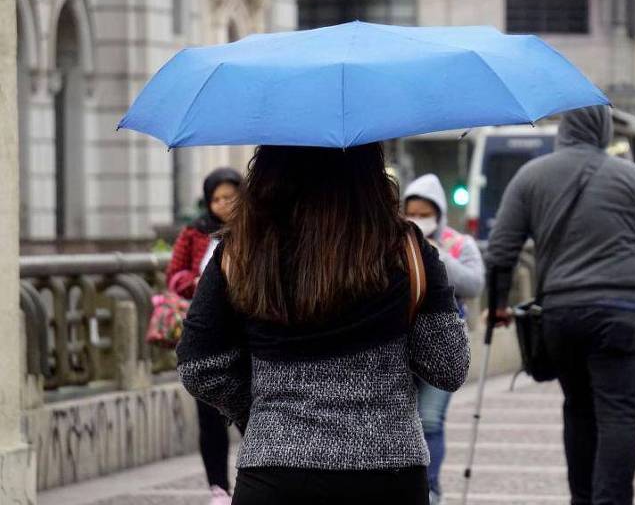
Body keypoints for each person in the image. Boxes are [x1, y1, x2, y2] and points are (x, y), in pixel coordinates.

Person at [176, 144, 470, 505]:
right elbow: (448, 366)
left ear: (268, 168)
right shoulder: (405, 248)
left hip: (274, 472)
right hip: (387, 472)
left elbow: (199, 365)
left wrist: (262, 411)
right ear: (370, 170)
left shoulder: (241, 251)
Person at [487, 106, 635, 505]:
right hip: (621, 314)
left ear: (564, 130)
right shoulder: (634, 178)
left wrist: (500, 303)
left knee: (578, 409)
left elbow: (501, 251)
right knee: (619, 414)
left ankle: (582, 499)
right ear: (604, 130)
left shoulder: (530, 177)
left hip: (561, 316)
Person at [404, 174, 485, 505]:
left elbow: (475, 284)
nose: (418, 218)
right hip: (403, 342)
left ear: (438, 211)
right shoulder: (397, 240)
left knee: (432, 419)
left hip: (444, 343)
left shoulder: (459, 243)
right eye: (413, 211)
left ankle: (432, 488)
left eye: (425, 212)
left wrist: (439, 258)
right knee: (406, 419)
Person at [166, 167, 243, 505]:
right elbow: (175, 274)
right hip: (207, 331)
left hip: (244, 332)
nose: (224, 204)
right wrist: (198, 285)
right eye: (217, 199)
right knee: (208, 412)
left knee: (250, 410)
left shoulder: (254, 230)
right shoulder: (195, 232)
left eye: (231, 196)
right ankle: (218, 487)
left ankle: (258, 475)